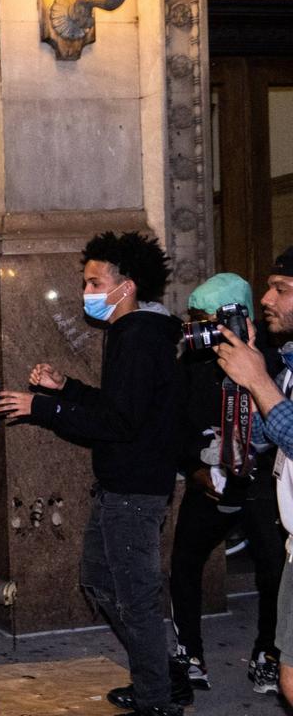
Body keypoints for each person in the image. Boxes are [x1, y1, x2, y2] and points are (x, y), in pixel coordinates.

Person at [0, 232, 188, 716]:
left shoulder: (141, 337)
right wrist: (68, 389)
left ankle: (157, 700)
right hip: (121, 486)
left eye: (95, 282)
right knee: (99, 580)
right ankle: (162, 677)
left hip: (135, 490)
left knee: (135, 597)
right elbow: (119, 407)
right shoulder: (129, 334)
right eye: (85, 282)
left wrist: (42, 407)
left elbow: (120, 424)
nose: (88, 291)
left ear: (127, 286)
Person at [168, 273, 285, 695]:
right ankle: (190, 654)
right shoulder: (193, 361)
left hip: (261, 482)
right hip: (209, 478)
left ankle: (269, 653)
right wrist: (195, 468)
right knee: (184, 561)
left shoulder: (271, 359)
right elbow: (175, 423)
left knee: (275, 566)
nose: (201, 329)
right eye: (195, 319)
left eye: (208, 320)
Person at [209, 246, 293, 706]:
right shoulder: (289, 364)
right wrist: (243, 374)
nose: (265, 298)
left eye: (282, 290)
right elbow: (263, 438)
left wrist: (259, 380)